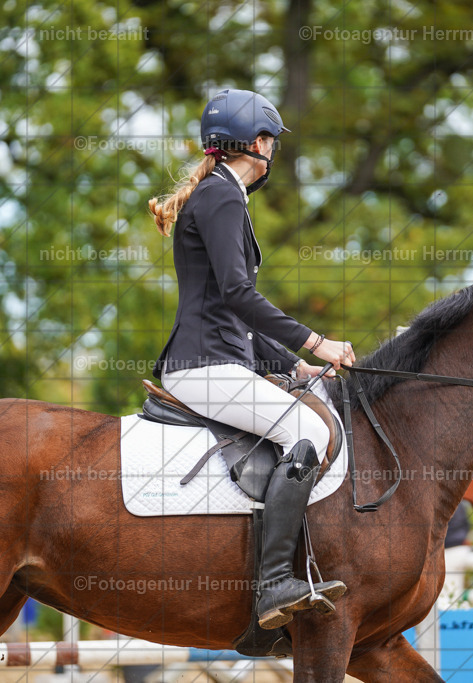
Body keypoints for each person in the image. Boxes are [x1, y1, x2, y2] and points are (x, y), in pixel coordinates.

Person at [149, 89, 355, 630]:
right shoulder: (222, 197)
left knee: (303, 411)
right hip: (203, 367)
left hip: (219, 359)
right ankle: (273, 586)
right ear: (256, 143)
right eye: (272, 141)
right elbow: (240, 295)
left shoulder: (222, 193)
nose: (274, 152)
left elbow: (230, 310)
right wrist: (317, 343)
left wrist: (296, 368)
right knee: (305, 433)